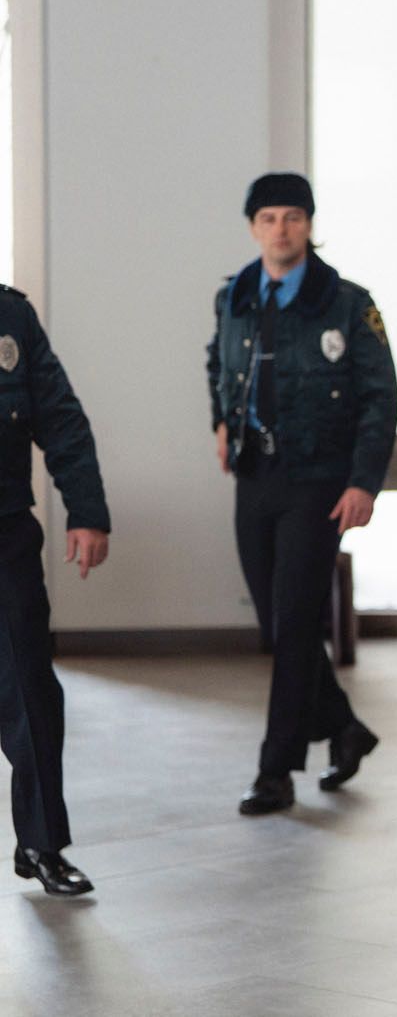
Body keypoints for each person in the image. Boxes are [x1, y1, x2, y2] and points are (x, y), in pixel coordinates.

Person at [207, 172, 397, 815]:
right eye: (268, 218)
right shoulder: (234, 296)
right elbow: (217, 362)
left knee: (295, 625)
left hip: (318, 482)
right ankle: (345, 728)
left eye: (293, 216)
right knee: (277, 622)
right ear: (253, 227)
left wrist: (364, 481)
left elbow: (380, 399)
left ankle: (276, 770)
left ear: (309, 224)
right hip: (254, 477)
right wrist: (221, 421)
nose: (281, 229)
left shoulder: (347, 303)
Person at [0, 283, 108, 896]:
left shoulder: (10, 316)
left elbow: (60, 417)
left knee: (32, 690)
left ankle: (41, 844)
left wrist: (87, 510)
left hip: (5, 534)